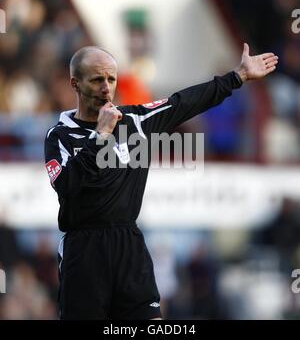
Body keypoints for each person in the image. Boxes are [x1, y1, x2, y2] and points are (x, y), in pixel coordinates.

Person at [44, 44, 278, 320]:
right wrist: (101, 136)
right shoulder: (59, 136)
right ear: (75, 83)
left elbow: (183, 102)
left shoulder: (136, 121)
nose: (107, 87)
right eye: (97, 79)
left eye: (111, 79)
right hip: (84, 251)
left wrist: (237, 76)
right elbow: (67, 185)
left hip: (129, 245)